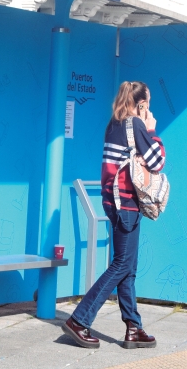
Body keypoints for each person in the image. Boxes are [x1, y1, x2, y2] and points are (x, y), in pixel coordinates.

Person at [62, 81, 165, 350]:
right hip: (127, 204)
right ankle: (79, 320)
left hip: (114, 201)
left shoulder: (114, 123)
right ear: (141, 103)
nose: (150, 106)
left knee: (128, 268)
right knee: (121, 265)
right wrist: (152, 129)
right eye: (148, 102)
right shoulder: (136, 125)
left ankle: (134, 328)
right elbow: (157, 161)